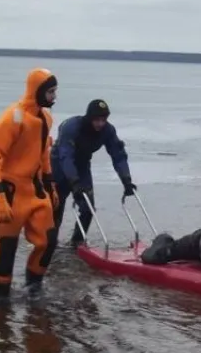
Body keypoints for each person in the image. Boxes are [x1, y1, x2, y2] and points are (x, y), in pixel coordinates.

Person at [0, 68, 60, 300]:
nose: (54, 97)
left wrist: (50, 183)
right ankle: (1, 296)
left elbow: (43, 152)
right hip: (11, 192)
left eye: (55, 92)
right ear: (37, 91)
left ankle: (34, 287)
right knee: (7, 247)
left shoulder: (45, 118)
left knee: (48, 241)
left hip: (36, 191)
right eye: (50, 92)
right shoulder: (13, 118)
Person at [47, 99, 136, 248]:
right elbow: (65, 156)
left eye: (103, 120)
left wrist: (126, 179)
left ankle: (77, 243)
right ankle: (49, 244)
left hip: (82, 166)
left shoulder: (108, 131)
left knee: (88, 208)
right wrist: (74, 182)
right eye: (97, 120)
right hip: (60, 167)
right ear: (89, 118)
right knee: (56, 207)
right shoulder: (71, 127)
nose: (100, 124)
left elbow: (118, 155)